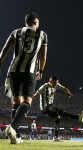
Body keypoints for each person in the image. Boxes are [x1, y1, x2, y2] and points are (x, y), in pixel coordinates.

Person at [0, 12, 48, 144]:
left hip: (14, 70)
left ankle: (17, 136)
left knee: (15, 102)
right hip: (29, 72)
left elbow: (5, 49)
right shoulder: (42, 34)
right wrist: (41, 70)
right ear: (36, 22)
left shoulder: (16, 32)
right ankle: (12, 128)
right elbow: (43, 57)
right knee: (26, 102)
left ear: (26, 22)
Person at [33, 75, 83, 142]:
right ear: (50, 81)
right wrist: (28, 103)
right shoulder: (44, 87)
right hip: (44, 107)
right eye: (54, 83)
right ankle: (78, 117)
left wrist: (68, 92)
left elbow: (64, 88)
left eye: (57, 83)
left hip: (50, 106)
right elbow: (36, 95)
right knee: (60, 112)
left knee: (57, 118)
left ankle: (55, 138)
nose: (56, 85)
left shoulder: (56, 84)